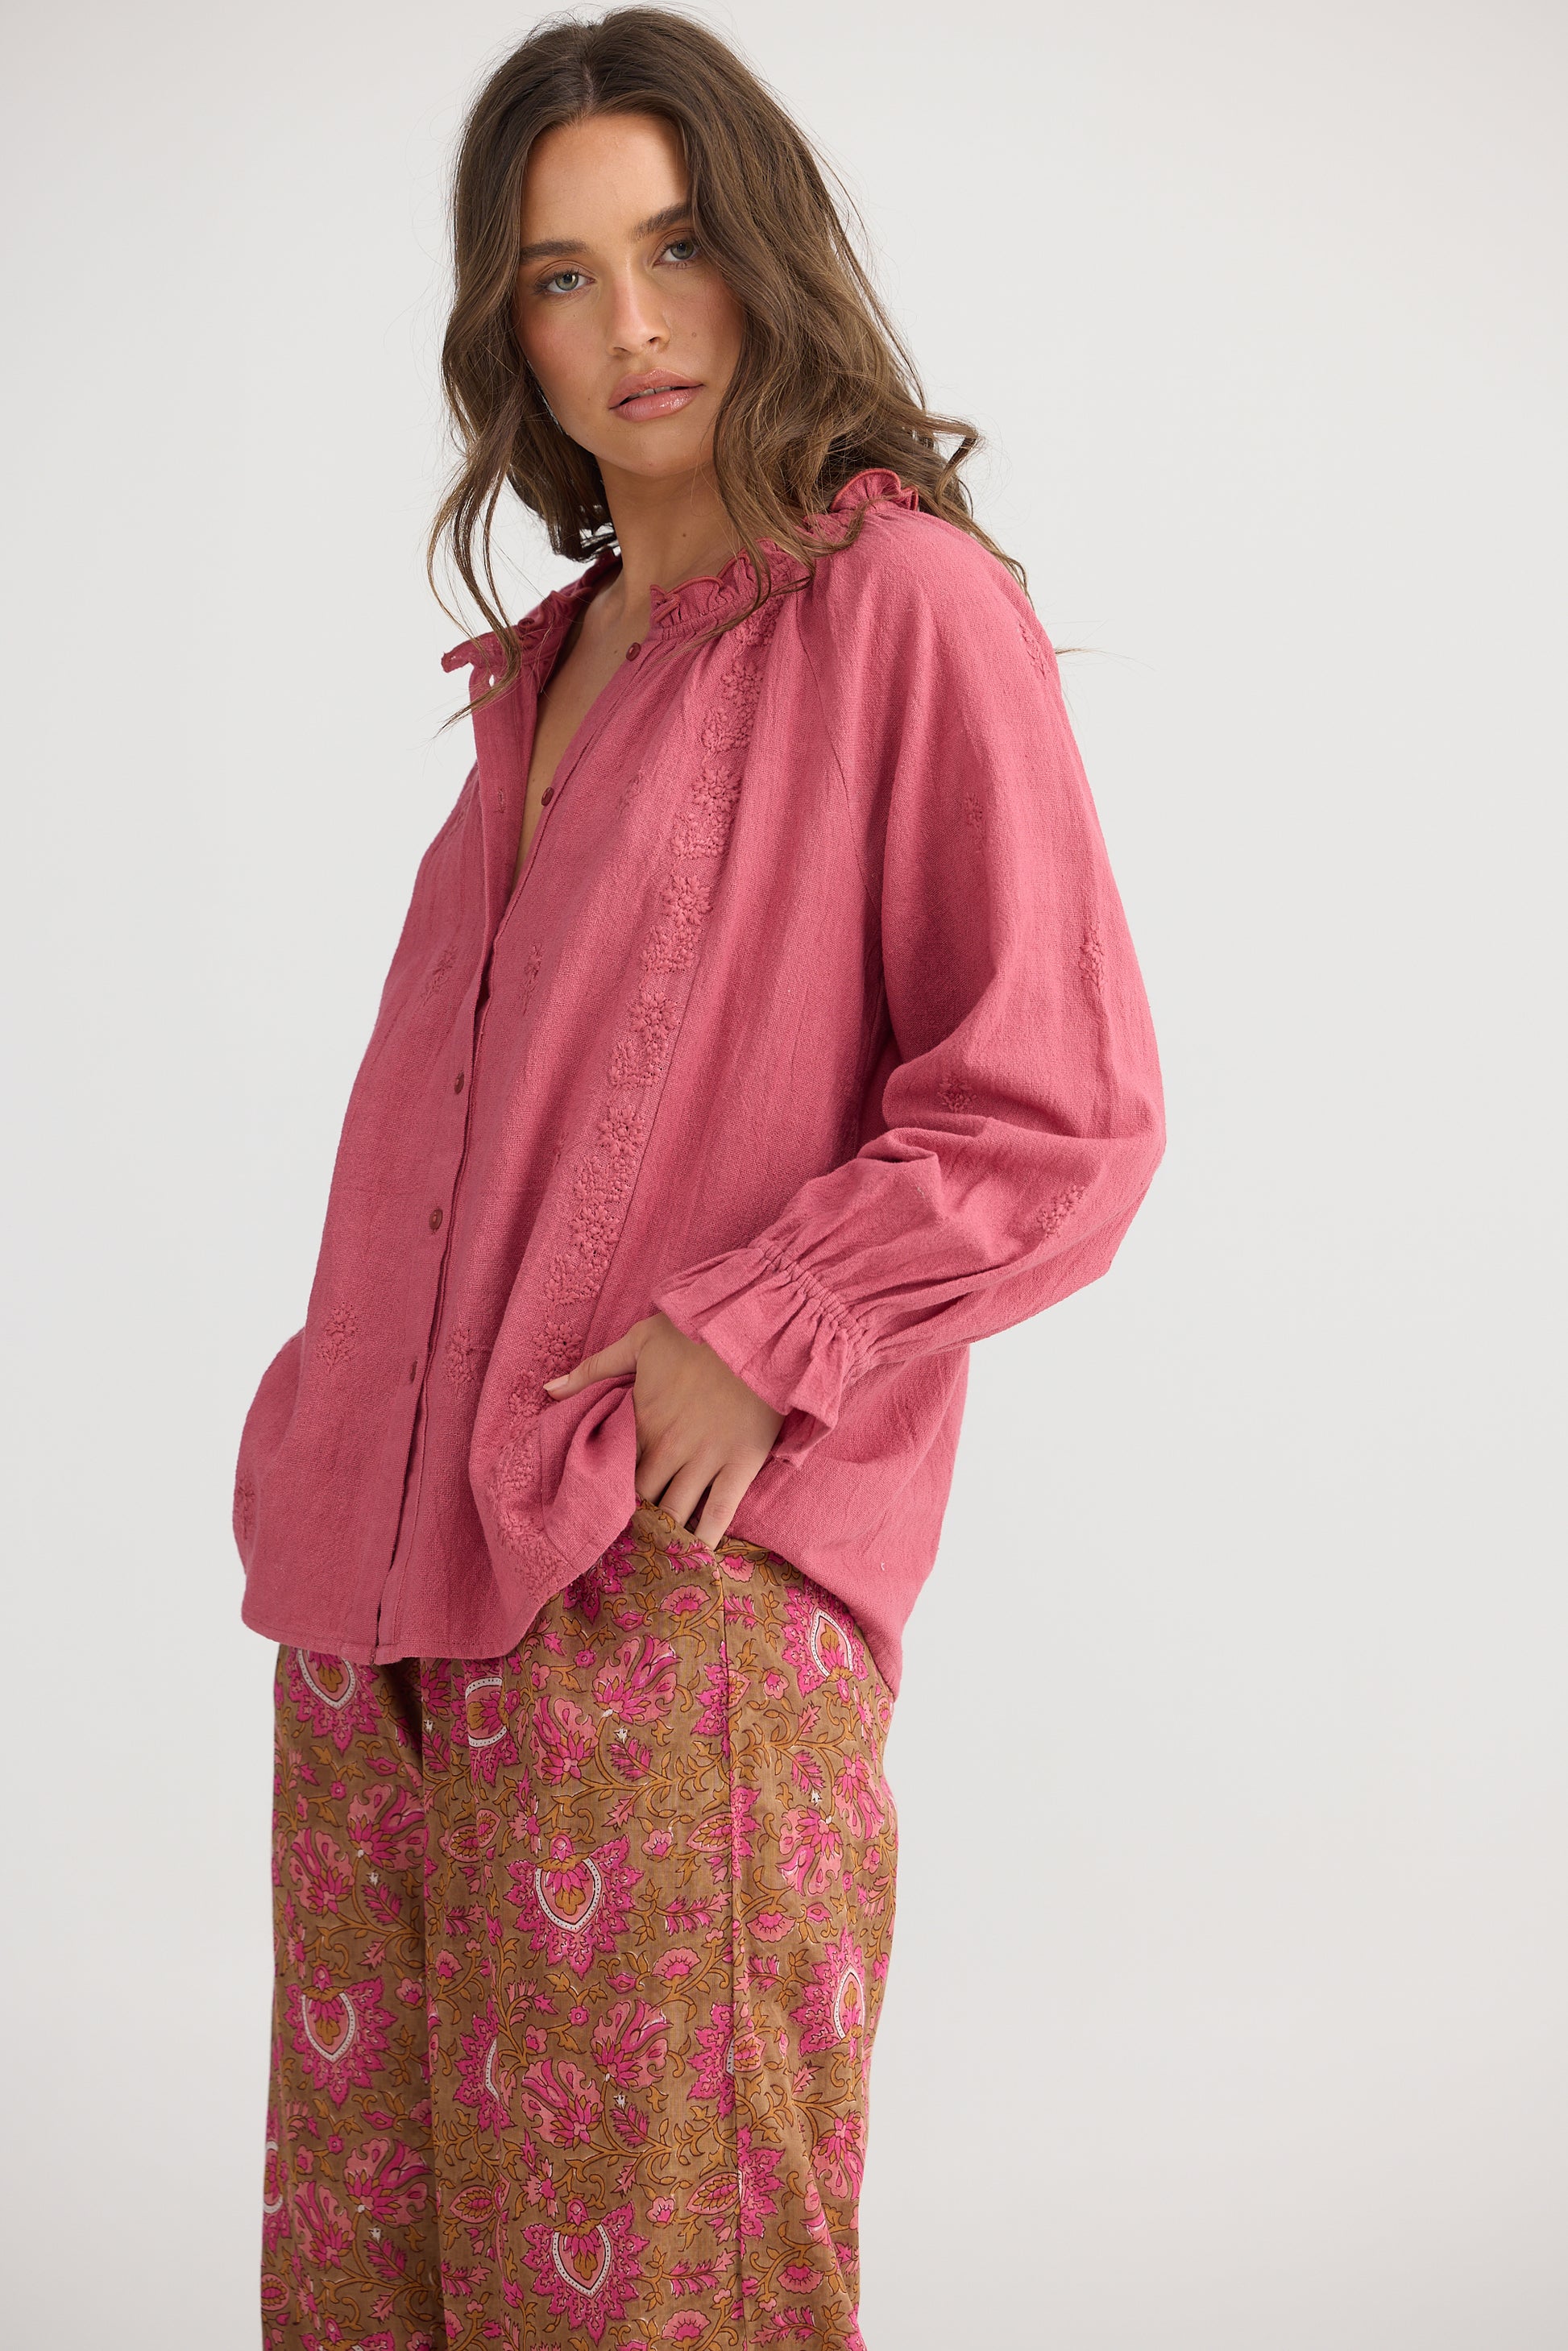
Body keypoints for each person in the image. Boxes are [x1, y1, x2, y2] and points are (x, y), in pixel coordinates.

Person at [237, 10, 1165, 2345]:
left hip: (669, 1611)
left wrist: (766, 1336)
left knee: (663, 2301)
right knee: (371, 2297)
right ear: (508, 330)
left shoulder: (899, 607)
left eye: (675, 248)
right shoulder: (542, 669)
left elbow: (1056, 1104)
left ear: (768, 256)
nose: (632, 325)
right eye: (560, 276)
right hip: (377, 1615)